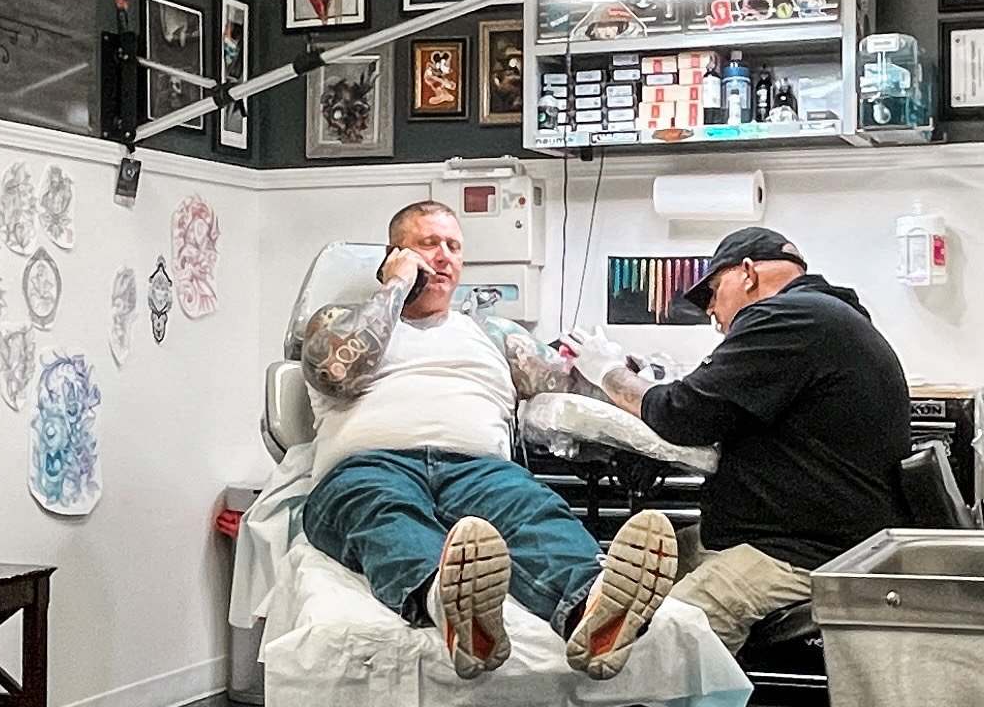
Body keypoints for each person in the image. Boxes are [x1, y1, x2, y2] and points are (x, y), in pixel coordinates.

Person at [298, 200, 678, 681]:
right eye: (427, 244)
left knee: (531, 508)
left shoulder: (493, 332)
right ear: (394, 254)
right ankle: (453, 607)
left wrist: (624, 370)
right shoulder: (337, 320)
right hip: (370, 468)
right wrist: (396, 287)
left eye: (454, 247)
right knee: (384, 516)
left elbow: (575, 384)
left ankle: (595, 612)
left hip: (478, 471)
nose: (443, 256)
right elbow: (334, 373)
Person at [597, 229, 912, 652]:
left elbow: (682, 413)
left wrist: (608, 374)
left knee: (673, 632)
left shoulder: (787, 318)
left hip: (801, 553)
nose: (711, 311)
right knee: (622, 581)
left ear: (746, 274)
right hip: (789, 536)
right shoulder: (823, 319)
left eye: (712, 291)